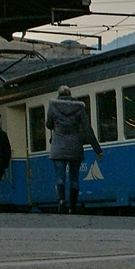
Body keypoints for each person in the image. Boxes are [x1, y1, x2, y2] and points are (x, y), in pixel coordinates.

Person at [46, 85, 102, 213]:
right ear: (70, 94)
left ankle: (61, 200)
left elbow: (49, 124)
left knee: (60, 177)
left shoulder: (53, 106)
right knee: (74, 178)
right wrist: (97, 149)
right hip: (75, 146)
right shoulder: (79, 108)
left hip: (58, 146)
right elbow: (88, 129)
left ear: (58, 94)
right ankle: (72, 206)